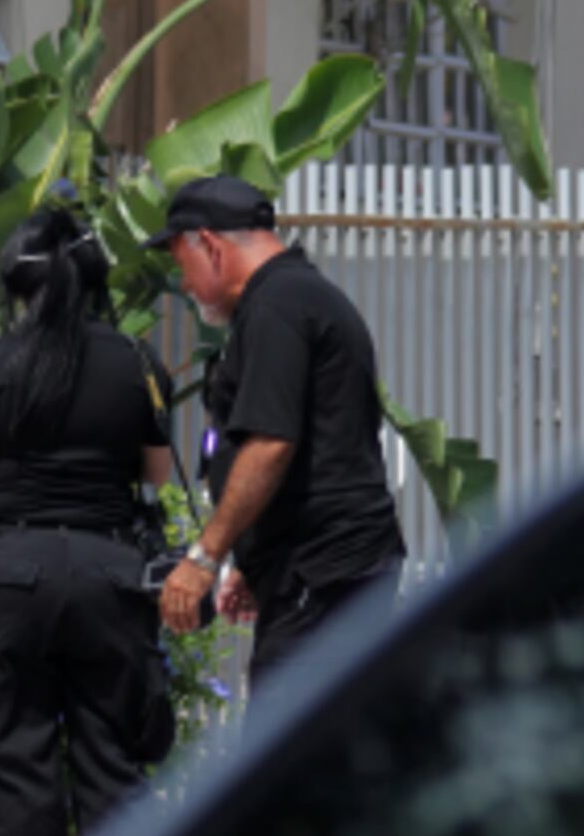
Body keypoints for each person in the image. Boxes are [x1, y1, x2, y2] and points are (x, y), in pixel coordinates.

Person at [0, 210, 177, 836]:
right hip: (109, 574)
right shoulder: (136, 362)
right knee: (112, 758)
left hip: (11, 574)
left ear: (16, 284)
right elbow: (159, 473)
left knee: (18, 756)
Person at [151, 176, 405, 687]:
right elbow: (318, 441)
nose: (184, 284)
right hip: (326, 568)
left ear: (212, 246)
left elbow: (270, 442)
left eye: (184, 264)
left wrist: (206, 557)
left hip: (322, 572)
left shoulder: (277, 305)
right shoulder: (297, 296)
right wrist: (254, 557)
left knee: (289, 746)